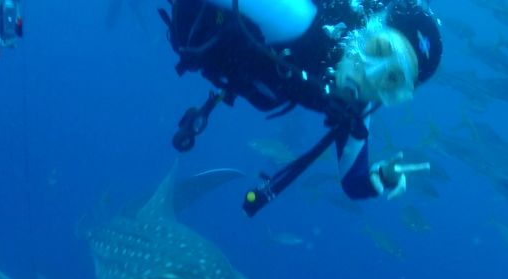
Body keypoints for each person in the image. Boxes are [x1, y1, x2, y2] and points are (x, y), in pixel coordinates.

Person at [159, 0, 442, 216]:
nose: (371, 73)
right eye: (378, 49)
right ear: (367, 29)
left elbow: (353, 181)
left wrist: (378, 178)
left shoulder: (358, 104)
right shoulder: (294, 17)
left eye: (392, 79)